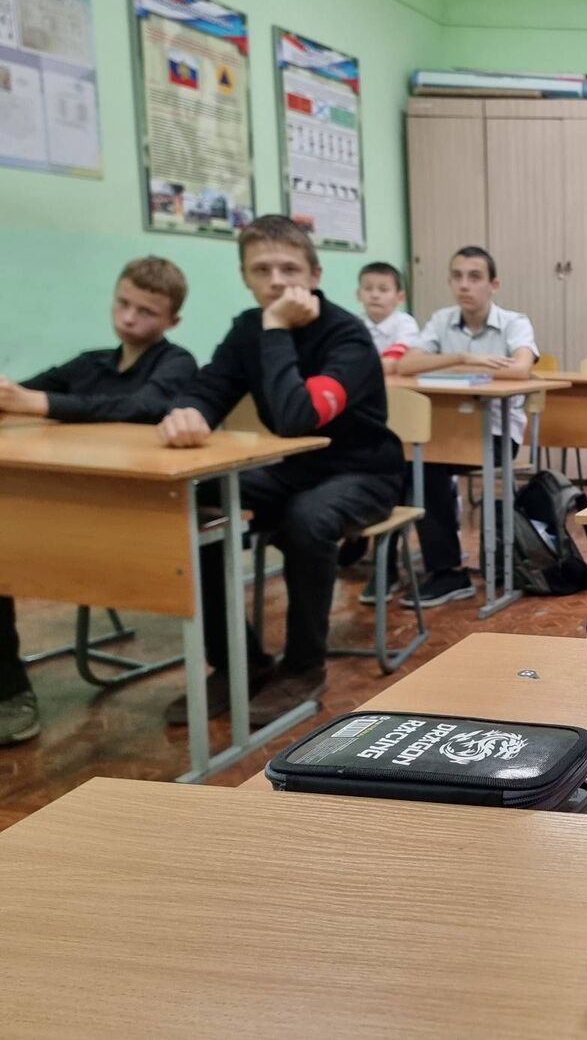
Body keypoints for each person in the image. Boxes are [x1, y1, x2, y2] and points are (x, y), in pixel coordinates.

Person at [158, 216, 403, 726]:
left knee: (307, 519)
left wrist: (275, 329)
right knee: (198, 499)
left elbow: (297, 416)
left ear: (315, 275)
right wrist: (189, 412)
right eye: (261, 270)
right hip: (291, 471)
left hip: (365, 472)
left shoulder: (346, 335)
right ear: (245, 276)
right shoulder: (246, 329)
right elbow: (210, 387)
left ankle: (304, 667)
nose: (276, 281)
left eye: (289, 269)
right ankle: (237, 662)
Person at [0, 256, 197, 745]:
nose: (129, 318)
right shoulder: (90, 363)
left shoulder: (176, 362)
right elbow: (26, 392)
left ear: (172, 320)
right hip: (64, 504)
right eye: (123, 304)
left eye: (146, 312)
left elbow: (142, 407)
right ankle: (9, 689)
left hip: (142, 513)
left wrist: (40, 403)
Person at [395, 245, 537, 607]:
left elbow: (520, 368)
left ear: (493, 284)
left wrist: (445, 366)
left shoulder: (514, 322)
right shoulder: (442, 320)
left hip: (497, 434)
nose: (464, 285)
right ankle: (444, 572)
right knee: (415, 464)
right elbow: (406, 365)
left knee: (425, 466)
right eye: (457, 276)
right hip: (446, 433)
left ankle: (453, 569)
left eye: (474, 277)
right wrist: (463, 357)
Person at [356, 261, 420, 376]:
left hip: (397, 383)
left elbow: (391, 363)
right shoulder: (353, 323)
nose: (375, 295)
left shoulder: (406, 323)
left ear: (400, 297)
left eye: (383, 290)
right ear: (358, 294)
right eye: (368, 289)